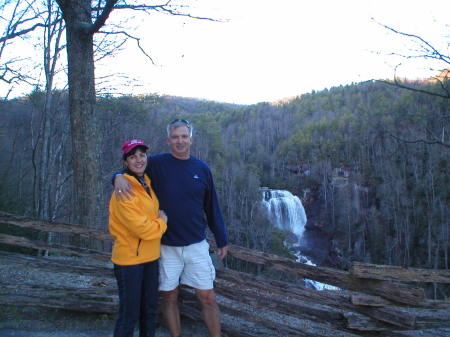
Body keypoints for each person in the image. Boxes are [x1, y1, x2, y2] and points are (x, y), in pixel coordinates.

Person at [114, 119, 228, 337]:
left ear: (191, 140)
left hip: (196, 244)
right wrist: (116, 177)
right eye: (175, 137)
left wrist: (221, 238)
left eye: (184, 136)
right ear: (168, 140)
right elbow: (131, 170)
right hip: (165, 246)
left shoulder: (202, 169)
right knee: (169, 297)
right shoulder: (156, 164)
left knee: (207, 298)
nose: (180, 141)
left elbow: (211, 206)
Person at [109, 139, 168, 337]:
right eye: (133, 157)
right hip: (130, 261)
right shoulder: (124, 190)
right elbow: (142, 229)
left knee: (149, 311)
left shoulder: (146, 182)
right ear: (125, 161)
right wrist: (162, 223)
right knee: (129, 314)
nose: (139, 160)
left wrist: (116, 175)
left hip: (150, 258)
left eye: (142, 155)